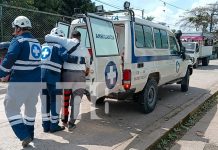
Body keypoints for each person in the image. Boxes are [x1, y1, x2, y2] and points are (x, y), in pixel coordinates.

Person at [0, 16, 41, 147]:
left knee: (10, 107)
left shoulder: (18, 41)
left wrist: (1, 73)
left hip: (21, 81)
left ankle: (24, 135)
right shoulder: (36, 42)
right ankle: (30, 134)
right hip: (35, 82)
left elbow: (9, 58)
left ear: (19, 28)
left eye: (15, 28)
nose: (14, 30)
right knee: (30, 107)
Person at [41, 27, 85, 133]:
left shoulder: (42, 46)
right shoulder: (59, 46)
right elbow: (67, 58)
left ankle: (45, 126)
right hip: (53, 76)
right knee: (54, 101)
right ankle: (54, 126)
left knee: (45, 102)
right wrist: (80, 59)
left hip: (41, 76)